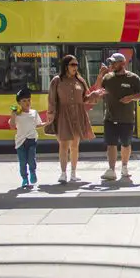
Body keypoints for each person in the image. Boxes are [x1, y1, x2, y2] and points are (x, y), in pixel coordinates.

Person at [47, 55, 104, 183]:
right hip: (62, 115)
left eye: (77, 65)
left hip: (77, 115)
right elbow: (51, 99)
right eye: (72, 65)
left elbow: (85, 98)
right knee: (63, 144)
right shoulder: (57, 80)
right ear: (65, 66)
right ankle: (63, 173)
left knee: (74, 146)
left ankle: (73, 173)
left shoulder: (80, 80)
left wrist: (94, 95)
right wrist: (51, 114)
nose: (75, 67)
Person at [96, 53, 140, 181]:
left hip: (127, 117)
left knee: (125, 143)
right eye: (111, 62)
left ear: (123, 64)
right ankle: (111, 169)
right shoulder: (108, 77)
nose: (111, 65)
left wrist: (130, 98)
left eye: (114, 62)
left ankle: (124, 167)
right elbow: (97, 90)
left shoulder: (133, 78)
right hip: (110, 117)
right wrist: (100, 75)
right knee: (111, 144)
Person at [9, 87, 43, 189]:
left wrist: (48, 123)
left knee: (31, 159)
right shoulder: (17, 114)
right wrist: (13, 115)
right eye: (24, 101)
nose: (27, 103)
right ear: (19, 103)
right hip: (20, 142)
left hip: (32, 140)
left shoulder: (34, 112)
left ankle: (33, 172)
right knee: (23, 162)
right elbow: (12, 126)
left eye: (29, 100)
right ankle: (25, 178)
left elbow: (38, 124)